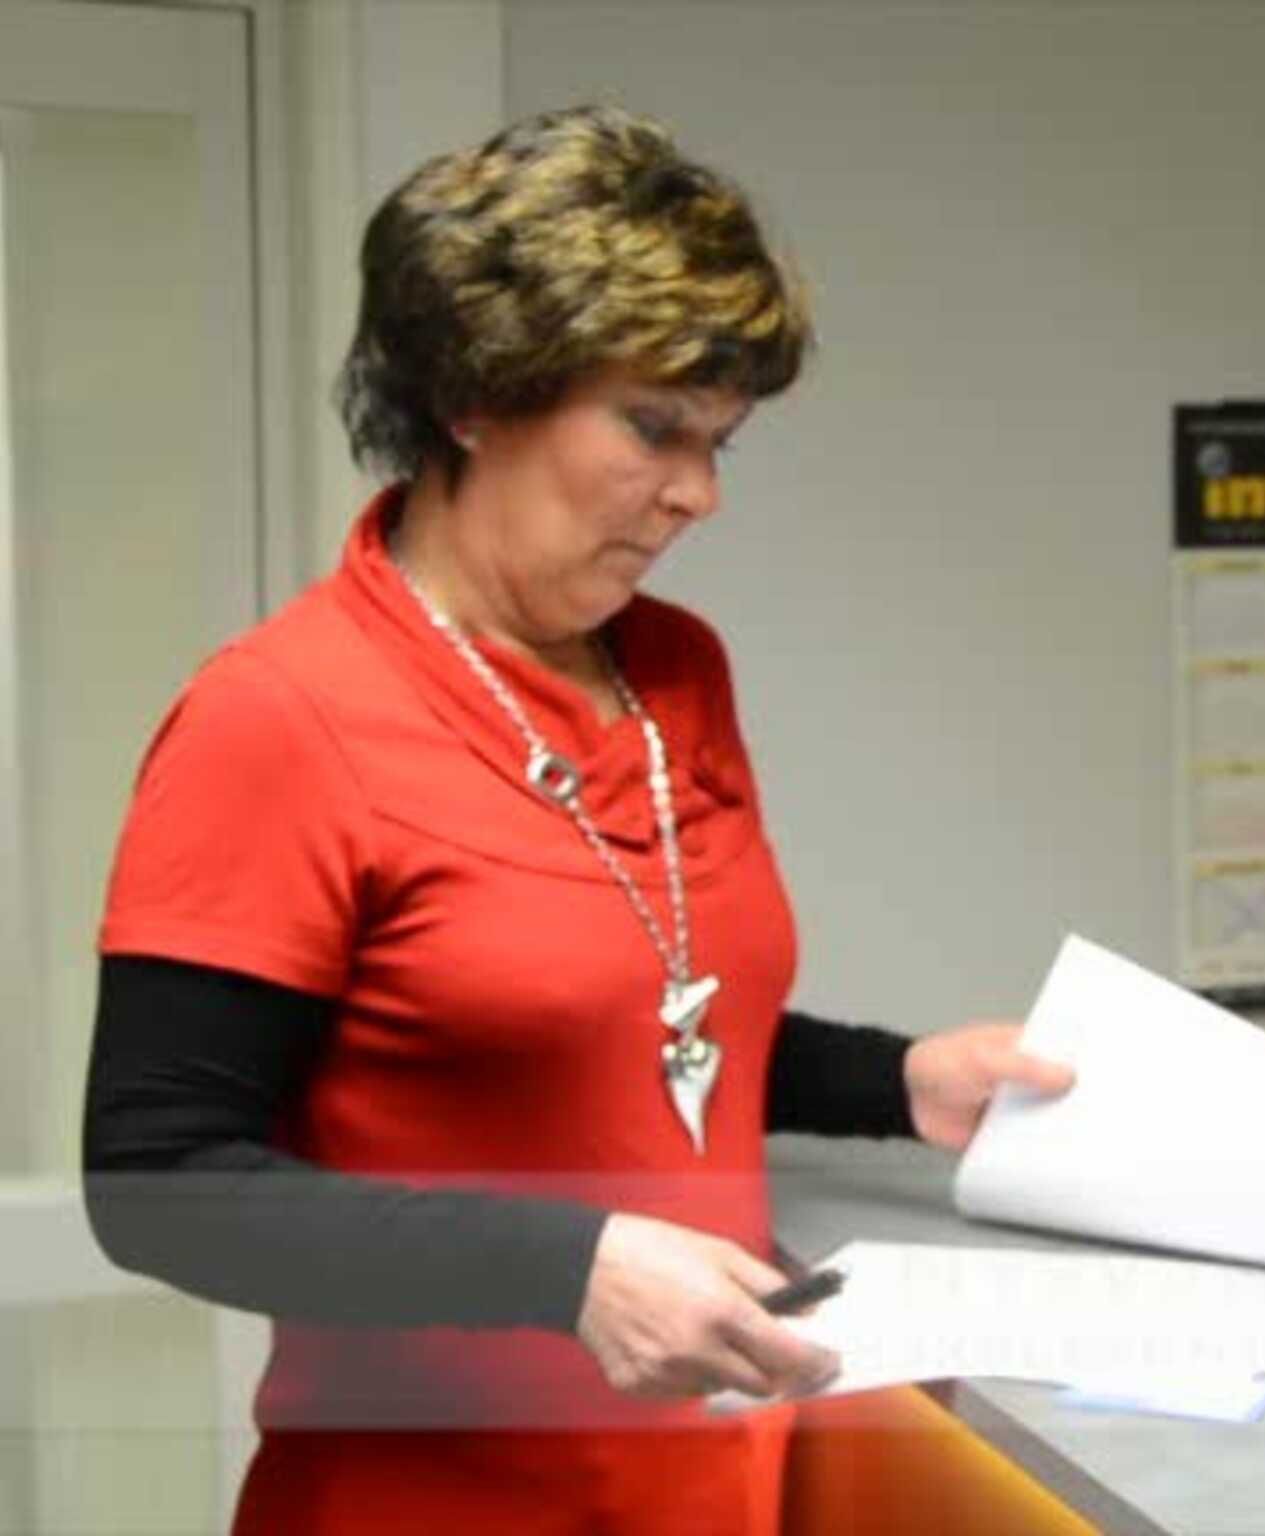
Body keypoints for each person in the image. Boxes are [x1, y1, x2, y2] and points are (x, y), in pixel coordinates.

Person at [81, 104, 1073, 1535]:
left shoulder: (676, 672)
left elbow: (622, 1023)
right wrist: (569, 1270)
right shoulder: (279, 717)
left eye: (721, 441)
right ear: (475, 392)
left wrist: (899, 1082)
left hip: (710, 1495)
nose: (699, 494)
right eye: (654, 428)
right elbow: (156, 1180)